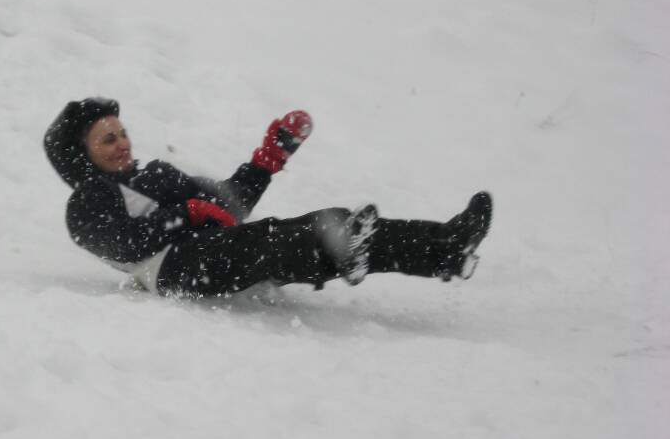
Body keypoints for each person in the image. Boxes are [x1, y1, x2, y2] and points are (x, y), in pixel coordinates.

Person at [44, 97, 492, 297]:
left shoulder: (156, 175)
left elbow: (226, 206)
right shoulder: (86, 201)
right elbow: (124, 243)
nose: (122, 143)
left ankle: (447, 248)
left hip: (208, 249)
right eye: (108, 140)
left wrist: (267, 160)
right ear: (83, 156)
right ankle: (344, 246)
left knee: (332, 228)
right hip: (175, 269)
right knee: (283, 241)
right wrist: (187, 213)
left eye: (122, 133)